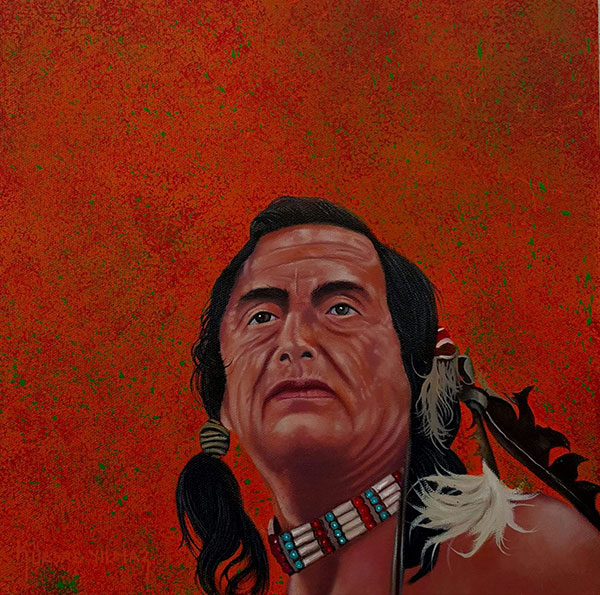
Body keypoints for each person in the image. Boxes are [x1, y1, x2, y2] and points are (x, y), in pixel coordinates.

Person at [177, 197, 600, 595]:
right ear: (223, 401)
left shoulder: (531, 548)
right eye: (261, 316)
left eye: (341, 308)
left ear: (416, 372)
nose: (294, 341)